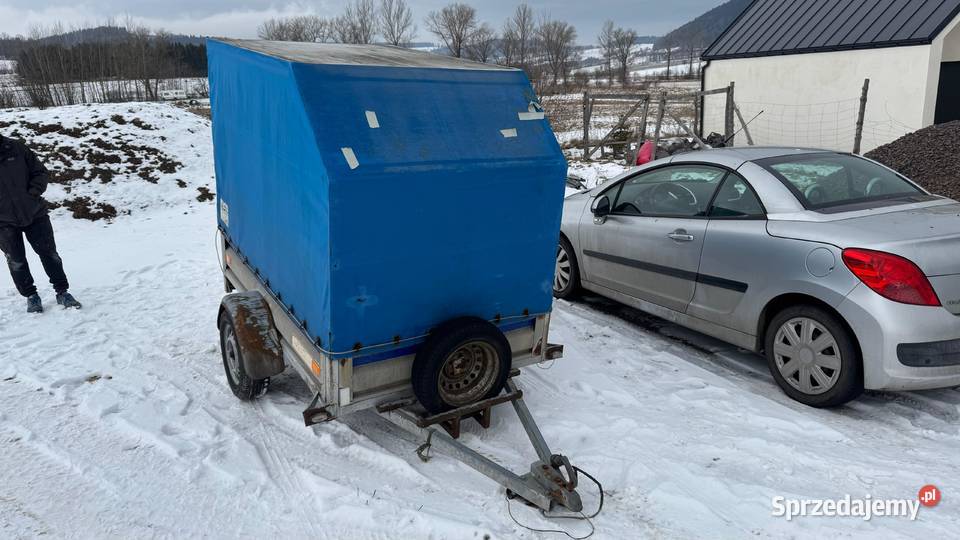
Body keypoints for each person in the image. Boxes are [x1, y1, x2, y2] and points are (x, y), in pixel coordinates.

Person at [0, 133, 81, 313]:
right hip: (3, 222)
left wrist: (33, 193)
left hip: (35, 213)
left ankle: (62, 292)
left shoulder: (16, 148)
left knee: (49, 254)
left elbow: (40, 172)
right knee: (16, 261)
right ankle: (31, 296)